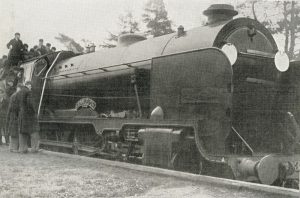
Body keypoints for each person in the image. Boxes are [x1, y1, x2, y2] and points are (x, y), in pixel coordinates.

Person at [18, 81, 38, 153]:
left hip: (21, 115)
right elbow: (30, 103)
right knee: (33, 131)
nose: (31, 87)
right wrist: (34, 111)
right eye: (30, 86)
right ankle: (34, 149)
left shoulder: (19, 92)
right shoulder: (28, 92)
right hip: (28, 115)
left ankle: (22, 149)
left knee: (22, 132)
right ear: (27, 85)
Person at [6, 83, 22, 152]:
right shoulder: (15, 96)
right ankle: (13, 148)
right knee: (14, 132)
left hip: (13, 115)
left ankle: (12, 148)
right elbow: (14, 107)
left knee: (14, 132)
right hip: (14, 116)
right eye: (20, 88)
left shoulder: (14, 95)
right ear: (18, 88)